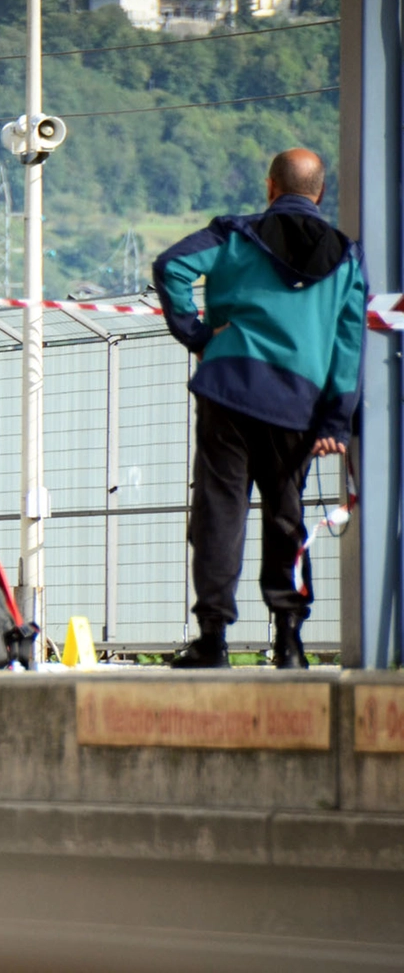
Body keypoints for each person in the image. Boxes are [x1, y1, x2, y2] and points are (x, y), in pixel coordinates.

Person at [155, 149, 366, 670]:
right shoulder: (346, 258)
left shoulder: (234, 234)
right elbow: (349, 342)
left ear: (271, 187)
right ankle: (289, 642)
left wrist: (198, 334)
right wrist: (337, 419)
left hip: (229, 390)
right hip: (296, 405)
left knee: (219, 513)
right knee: (285, 517)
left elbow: (171, 266)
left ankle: (212, 640)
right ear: (319, 193)